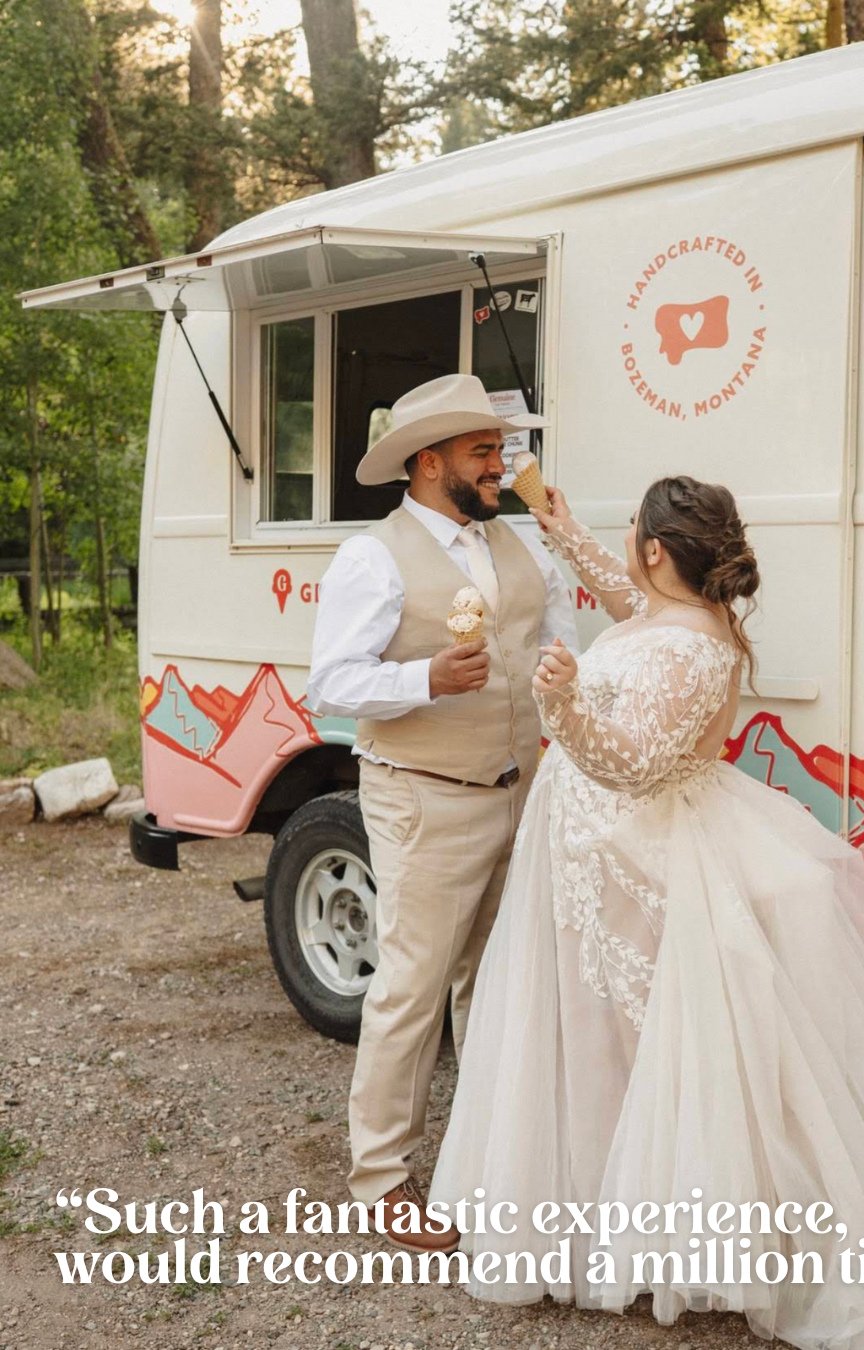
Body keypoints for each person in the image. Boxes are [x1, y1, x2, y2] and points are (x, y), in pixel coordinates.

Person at [429, 475, 864, 1346]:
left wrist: (565, 707)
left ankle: (666, 1233)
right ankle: (609, 1214)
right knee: (610, 1041)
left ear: (657, 549)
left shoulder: (689, 648)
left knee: (634, 1042)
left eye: (633, 536)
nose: (626, 550)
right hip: (603, 852)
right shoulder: (670, 615)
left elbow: (637, 766)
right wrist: (562, 525)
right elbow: (625, 599)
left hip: (638, 852)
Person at [307, 374, 577, 1253]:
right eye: (483, 452)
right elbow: (333, 682)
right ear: (429, 465)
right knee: (411, 989)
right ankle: (382, 1180)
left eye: (499, 449)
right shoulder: (372, 556)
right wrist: (424, 679)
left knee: (495, 983)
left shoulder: (519, 547)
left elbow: (556, 638)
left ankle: (485, 1163)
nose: (501, 465)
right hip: (424, 795)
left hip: (521, 788)